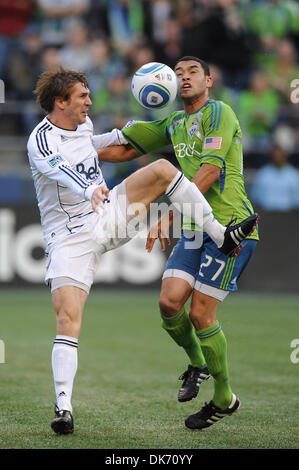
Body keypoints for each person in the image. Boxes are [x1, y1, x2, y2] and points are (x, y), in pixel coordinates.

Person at [27, 67, 257, 435]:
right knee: (68, 320)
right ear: (60, 102)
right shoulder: (40, 139)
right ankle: (64, 407)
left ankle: (220, 233)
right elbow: (58, 168)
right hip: (70, 238)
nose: (90, 100)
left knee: (163, 169)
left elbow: (105, 143)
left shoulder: (84, 128)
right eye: (83, 96)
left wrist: (128, 133)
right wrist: (90, 191)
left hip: (107, 215)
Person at [98, 56, 259, 430]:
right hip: (193, 227)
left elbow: (210, 169)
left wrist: (171, 212)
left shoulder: (220, 112)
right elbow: (124, 149)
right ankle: (199, 363)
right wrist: (72, 147)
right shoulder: (173, 122)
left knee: (201, 315)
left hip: (231, 225)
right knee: (169, 304)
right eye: (179, 73)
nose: (184, 78)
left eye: (192, 72)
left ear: (209, 79)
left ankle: (224, 397)